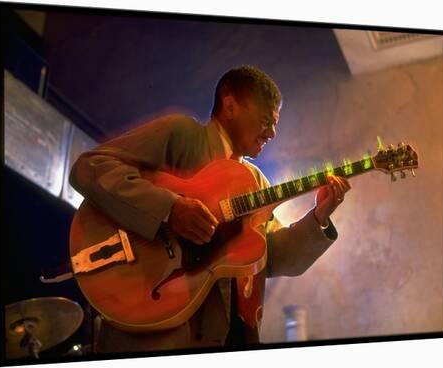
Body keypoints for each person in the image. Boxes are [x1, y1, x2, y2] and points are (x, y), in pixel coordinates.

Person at [69, 65, 350, 352]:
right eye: (266, 119)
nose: (273, 132)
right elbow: (90, 168)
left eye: (275, 123)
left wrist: (319, 218)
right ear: (230, 105)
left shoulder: (256, 182)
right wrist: (170, 209)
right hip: (156, 332)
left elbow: (274, 259)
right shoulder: (182, 135)